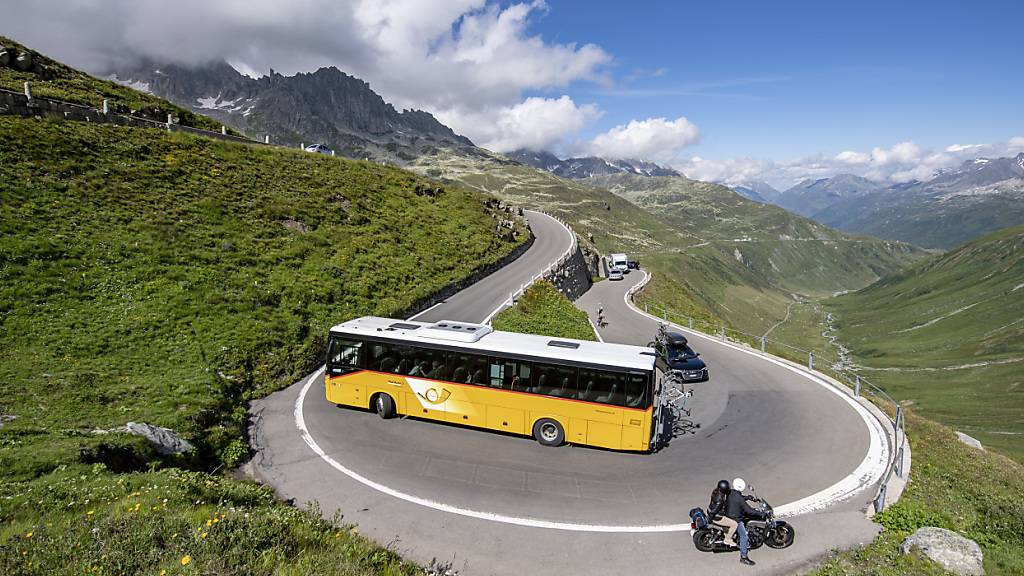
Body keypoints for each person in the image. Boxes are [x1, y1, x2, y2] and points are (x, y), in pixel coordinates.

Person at [725, 477, 761, 566]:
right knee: (744, 536)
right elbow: (749, 510)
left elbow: (739, 498)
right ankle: (743, 557)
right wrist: (761, 513)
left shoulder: (731, 492)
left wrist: (748, 497)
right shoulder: (739, 499)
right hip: (735, 518)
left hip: (729, 513)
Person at [707, 479, 738, 545]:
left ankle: (726, 532)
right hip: (717, 517)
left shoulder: (716, 491)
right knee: (734, 524)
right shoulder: (720, 499)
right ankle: (728, 539)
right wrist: (709, 519)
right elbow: (715, 510)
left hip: (710, 511)